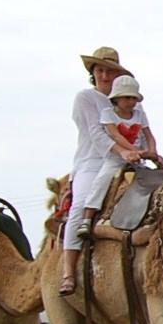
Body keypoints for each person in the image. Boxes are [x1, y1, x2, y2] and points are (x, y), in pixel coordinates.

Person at [59, 47, 131, 295]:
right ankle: (68, 272)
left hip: (126, 162)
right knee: (80, 206)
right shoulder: (86, 98)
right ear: (93, 73)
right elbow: (95, 134)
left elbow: (141, 131)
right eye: (100, 70)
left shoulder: (128, 100)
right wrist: (123, 152)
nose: (104, 75)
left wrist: (146, 154)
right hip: (92, 162)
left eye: (110, 70)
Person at [80, 75, 162, 231]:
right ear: (116, 98)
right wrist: (132, 151)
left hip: (137, 160)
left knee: (154, 181)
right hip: (116, 159)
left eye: (133, 98)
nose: (131, 102)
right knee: (101, 182)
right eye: (126, 98)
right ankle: (87, 218)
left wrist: (153, 152)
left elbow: (148, 135)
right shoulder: (108, 114)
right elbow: (115, 135)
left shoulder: (139, 115)